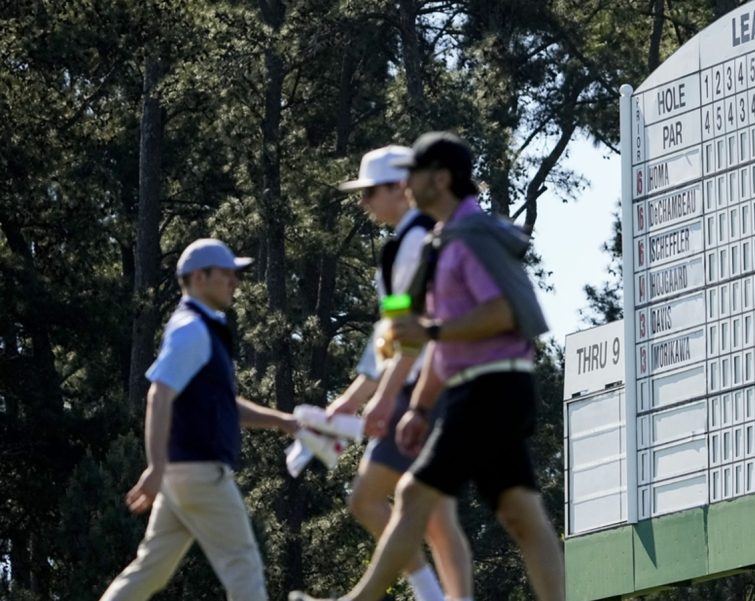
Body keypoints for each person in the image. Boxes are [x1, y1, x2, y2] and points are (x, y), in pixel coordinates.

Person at [290, 132, 565, 601]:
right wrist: (417, 406)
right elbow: (412, 334)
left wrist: (406, 373)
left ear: (437, 179)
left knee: (416, 495)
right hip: (475, 388)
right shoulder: (438, 241)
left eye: (411, 175)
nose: (405, 185)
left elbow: (493, 315)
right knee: (520, 513)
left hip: (490, 389)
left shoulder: (466, 237)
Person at [100, 238, 298, 601]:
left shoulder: (203, 328)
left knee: (150, 570)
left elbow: (226, 405)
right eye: (226, 274)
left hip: (182, 475)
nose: (234, 282)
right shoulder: (192, 329)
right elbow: (159, 394)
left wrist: (284, 421)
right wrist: (154, 466)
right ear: (199, 277)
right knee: (244, 564)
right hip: (201, 472)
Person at [320, 145, 472, 601]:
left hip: (427, 389)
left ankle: (429, 595)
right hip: (431, 386)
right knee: (437, 515)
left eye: (370, 193)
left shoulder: (417, 242)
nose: (364, 203)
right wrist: (354, 397)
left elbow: (410, 335)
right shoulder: (402, 246)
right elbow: (388, 337)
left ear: (400, 188)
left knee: (367, 498)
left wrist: (383, 397)